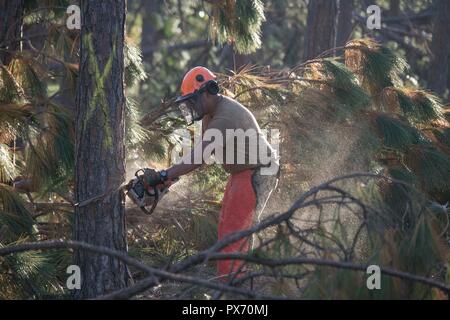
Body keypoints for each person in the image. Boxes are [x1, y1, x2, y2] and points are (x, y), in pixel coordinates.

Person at [145, 66, 280, 280]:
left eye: (193, 101)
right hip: (243, 171)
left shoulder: (225, 117)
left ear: (208, 91)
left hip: (258, 172)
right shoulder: (211, 114)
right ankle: (237, 279)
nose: (190, 106)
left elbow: (198, 158)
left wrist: (163, 175)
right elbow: (203, 155)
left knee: (234, 233)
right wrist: (170, 178)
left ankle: (233, 287)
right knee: (228, 225)